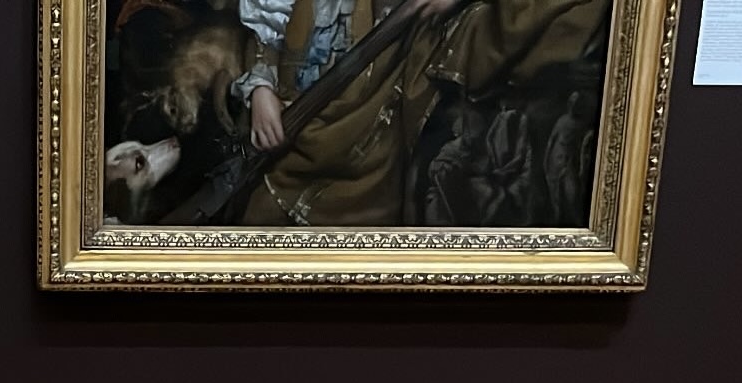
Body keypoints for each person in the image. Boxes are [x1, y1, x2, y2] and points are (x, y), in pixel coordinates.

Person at [230, 0, 610, 227]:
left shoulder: (445, 28)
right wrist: (259, 87)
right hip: (280, 167)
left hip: (366, 195)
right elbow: (266, 40)